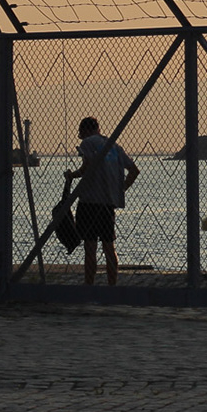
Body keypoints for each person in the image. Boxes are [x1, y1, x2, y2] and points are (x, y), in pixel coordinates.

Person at [64, 116, 138, 286]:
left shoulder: (87, 143)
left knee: (90, 248)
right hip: (107, 203)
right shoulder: (114, 146)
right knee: (109, 247)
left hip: (89, 202)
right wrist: (120, 189)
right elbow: (134, 171)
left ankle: (89, 286)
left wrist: (72, 175)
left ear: (85, 131)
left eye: (81, 133)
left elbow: (87, 166)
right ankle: (112, 285)